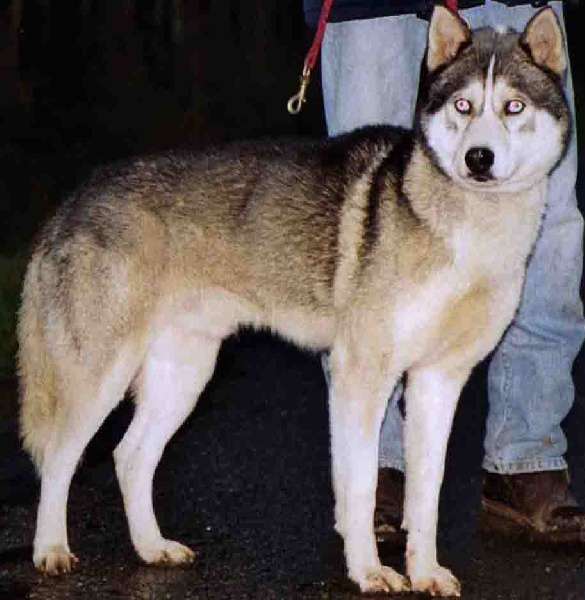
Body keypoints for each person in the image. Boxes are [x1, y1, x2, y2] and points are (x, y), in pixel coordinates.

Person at [303, 0, 585, 543]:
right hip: (373, 8)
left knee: (551, 226)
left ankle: (525, 454)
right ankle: (374, 470)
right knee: (366, 207)